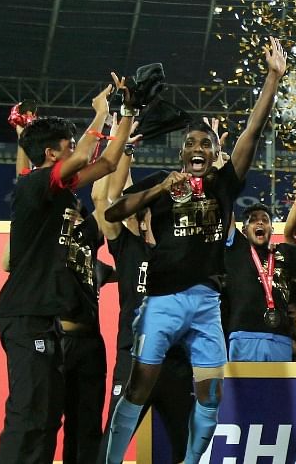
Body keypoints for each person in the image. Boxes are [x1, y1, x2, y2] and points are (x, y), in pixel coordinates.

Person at [102, 40, 286, 464]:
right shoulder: (164, 184)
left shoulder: (224, 184)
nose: (198, 148)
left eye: (206, 143)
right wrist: (157, 189)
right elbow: (114, 211)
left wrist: (272, 79)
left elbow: (252, 132)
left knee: (211, 394)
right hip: (163, 301)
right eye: (190, 144)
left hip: (206, 303)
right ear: (182, 153)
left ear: (215, 154)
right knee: (139, 385)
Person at [0, 78, 133, 464]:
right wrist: (101, 114)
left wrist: (127, 114)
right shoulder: (36, 184)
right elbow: (86, 158)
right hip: (26, 314)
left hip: (45, 322)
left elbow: (106, 163)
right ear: (50, 153)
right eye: (68, 148)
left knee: (46, 419)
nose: (75, 152)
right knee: (30, 416)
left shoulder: (58, 194)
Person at [92, 146, 194, 464]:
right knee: (111, 450)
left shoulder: (182, 251)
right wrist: (125, 150)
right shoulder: (127, 246)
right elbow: (103, 203)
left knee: (190, 450)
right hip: (135, 362)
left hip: (176, 364)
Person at [223, 203, 296, 361]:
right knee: (245, 386)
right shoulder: (237, 248)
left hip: (280, 337)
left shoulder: (285, 252)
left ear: (272, 230)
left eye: (265, 220)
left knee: (278, 386)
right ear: (243, 230)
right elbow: (225, 203)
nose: (259, 223)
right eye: (253, 220)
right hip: (243, 337)